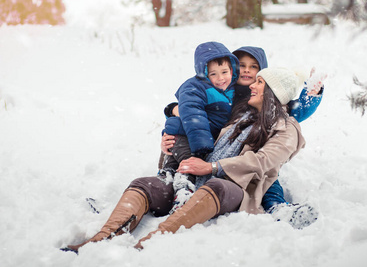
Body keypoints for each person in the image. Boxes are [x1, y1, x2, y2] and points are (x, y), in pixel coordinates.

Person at [62, 67, 312, 253]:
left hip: (235, 189)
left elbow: (263, 161)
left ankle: (148, 244)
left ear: (274, 93)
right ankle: (100, 240)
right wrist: (168, 145)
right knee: (144, 184)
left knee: (217, 185)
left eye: (260, 82)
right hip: (194, 181)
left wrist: (214, 167)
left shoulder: (286, 128)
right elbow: (199, 131)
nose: (253, 85)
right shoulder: (239, 117)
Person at [162, 46, 324, 228]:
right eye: (242, 66)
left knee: (266, 176)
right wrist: (173, 112)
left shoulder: (263, 99)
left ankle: (277, 206)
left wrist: (311, 95)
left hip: (248, 160)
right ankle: (177, 185)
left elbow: (289, 108)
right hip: (213, 149)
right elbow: (195, 111)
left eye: (254, 67)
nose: (247, 70)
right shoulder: (223, 92)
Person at [160, 41, 240, 214]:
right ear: (203, 73)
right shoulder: (195, 87)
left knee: (176, 163)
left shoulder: (234, 90)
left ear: (233, 69)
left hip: (194, 134)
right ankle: (182, 192)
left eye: (225, 72)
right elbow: (192, 113)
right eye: (213, 74)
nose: (220, 78)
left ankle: (168, 180)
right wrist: (202, 147)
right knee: (188, 162)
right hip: (185, 135)